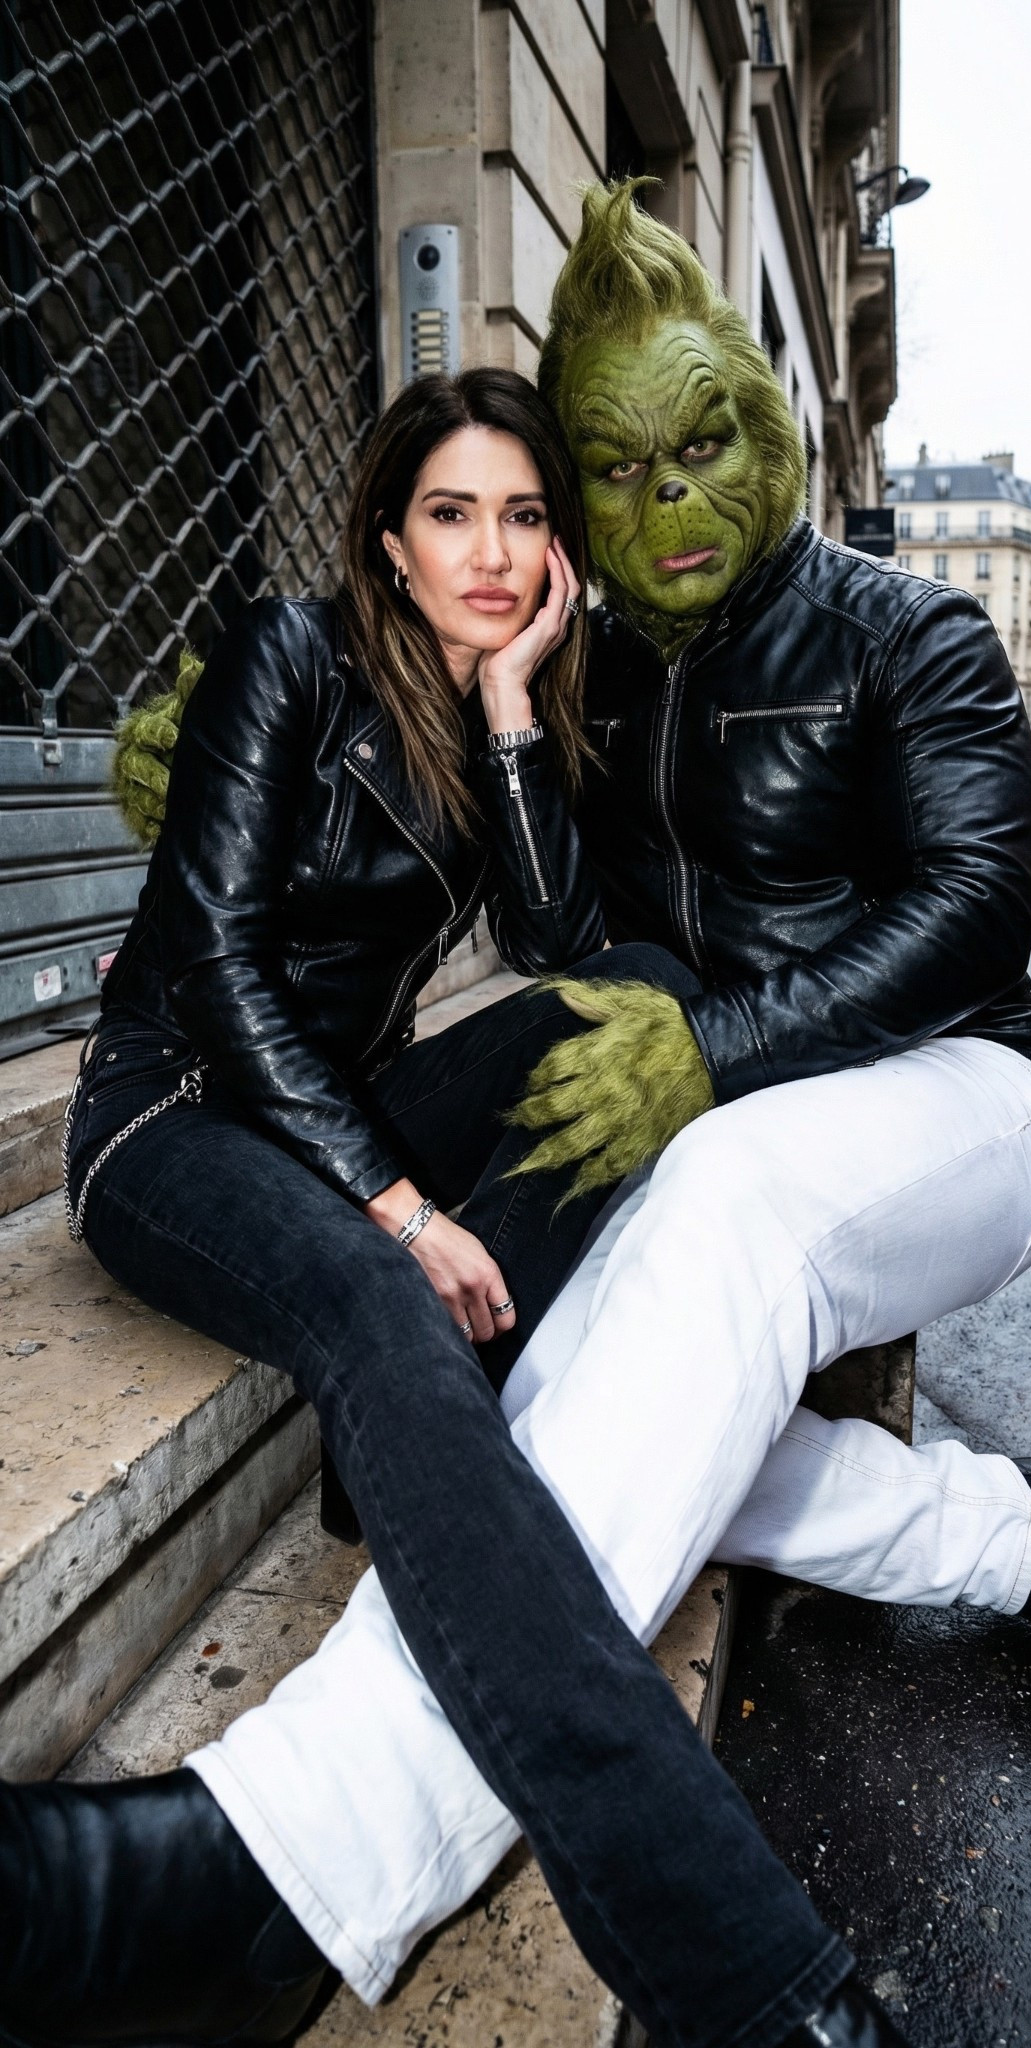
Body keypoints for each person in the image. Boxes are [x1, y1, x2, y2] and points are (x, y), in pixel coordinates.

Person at [0, 367, 895, 2048]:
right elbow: (212, 967)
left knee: (620, 1002)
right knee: (378, 1307)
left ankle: (415, 1447)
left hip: (332, 1114)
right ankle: (751, 1981)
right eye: (450, 512)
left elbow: (564, 948)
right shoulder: (289, 653)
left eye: (525, 516)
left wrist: (508, 703)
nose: (491, 548)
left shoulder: (488, 697)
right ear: (387, 537)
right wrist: (402, 1207)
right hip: (181, 1116)